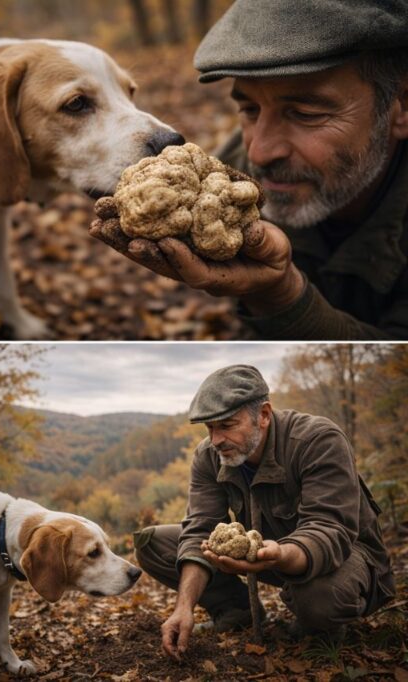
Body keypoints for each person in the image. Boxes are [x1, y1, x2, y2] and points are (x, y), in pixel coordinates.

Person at [91, 0, 408, 339]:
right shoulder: (222, 181)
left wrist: (280, 296)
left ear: (401, 106)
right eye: (250, 109)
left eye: (306, 115)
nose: (259, 152)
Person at [134, 365, 394, 659]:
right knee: (153, 543)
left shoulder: (318, 441)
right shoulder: (209, 456)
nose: (216, 439)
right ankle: (237, 609)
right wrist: (184, 607)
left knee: (319, 598)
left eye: (227, 425)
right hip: (268, 554)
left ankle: (320, 623)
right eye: (210, 428)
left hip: (343, 555)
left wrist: (280, 554)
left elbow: (329, 530)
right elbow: (199, 530)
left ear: (264, 415)